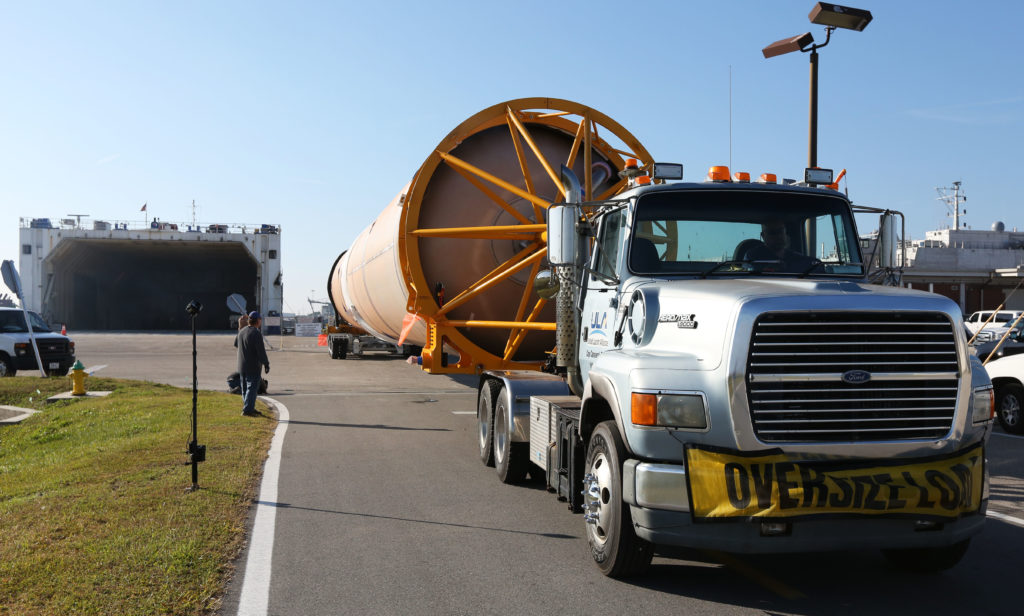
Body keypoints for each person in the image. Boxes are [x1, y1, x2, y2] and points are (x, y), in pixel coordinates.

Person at [235, 310, 270, 416]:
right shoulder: (256, 333)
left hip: (242, 366)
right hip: (253, 366)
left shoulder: (242, 331)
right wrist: (266, 363)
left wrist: (240, 327)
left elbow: (236, 344)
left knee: (245, 388)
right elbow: (261, 351)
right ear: (258, 321)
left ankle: (249, 407)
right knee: (252, 388)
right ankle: (247, 410)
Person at [742, 221, 815, 271]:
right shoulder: (752, 256)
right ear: (763, 236)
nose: (778, 236)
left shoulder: (797, 258)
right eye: (772, 232)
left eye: (781, 231)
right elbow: (749, 277)